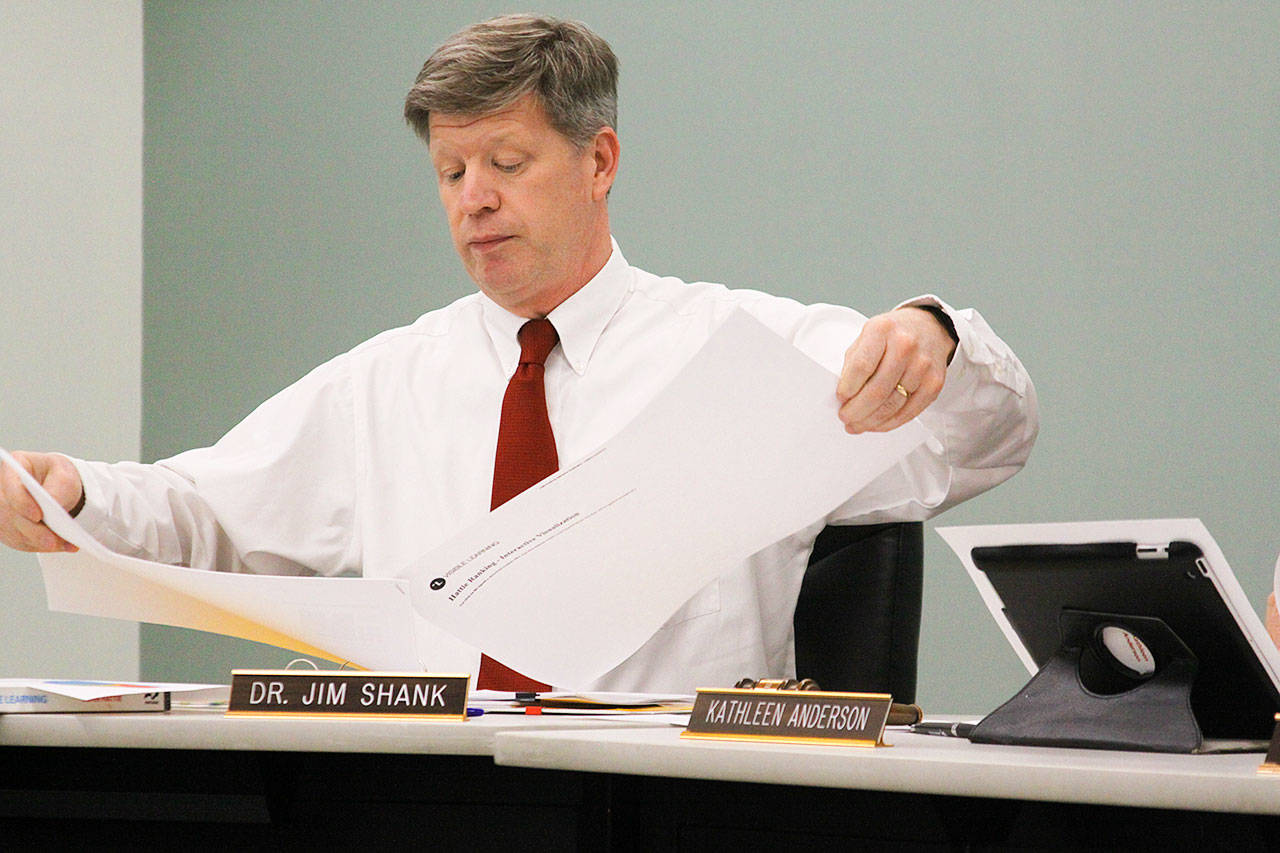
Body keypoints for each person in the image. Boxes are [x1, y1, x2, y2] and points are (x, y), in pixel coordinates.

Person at [0, 14, 1037, 692]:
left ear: (599, 161)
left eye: (505, 161)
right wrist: (75, 497)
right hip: (429, 797)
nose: (473, 198)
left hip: (673, 794)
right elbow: (209, 510)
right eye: (449, 170)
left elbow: (979, 439)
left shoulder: (734, 346)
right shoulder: (388, 381)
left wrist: (931, 335)